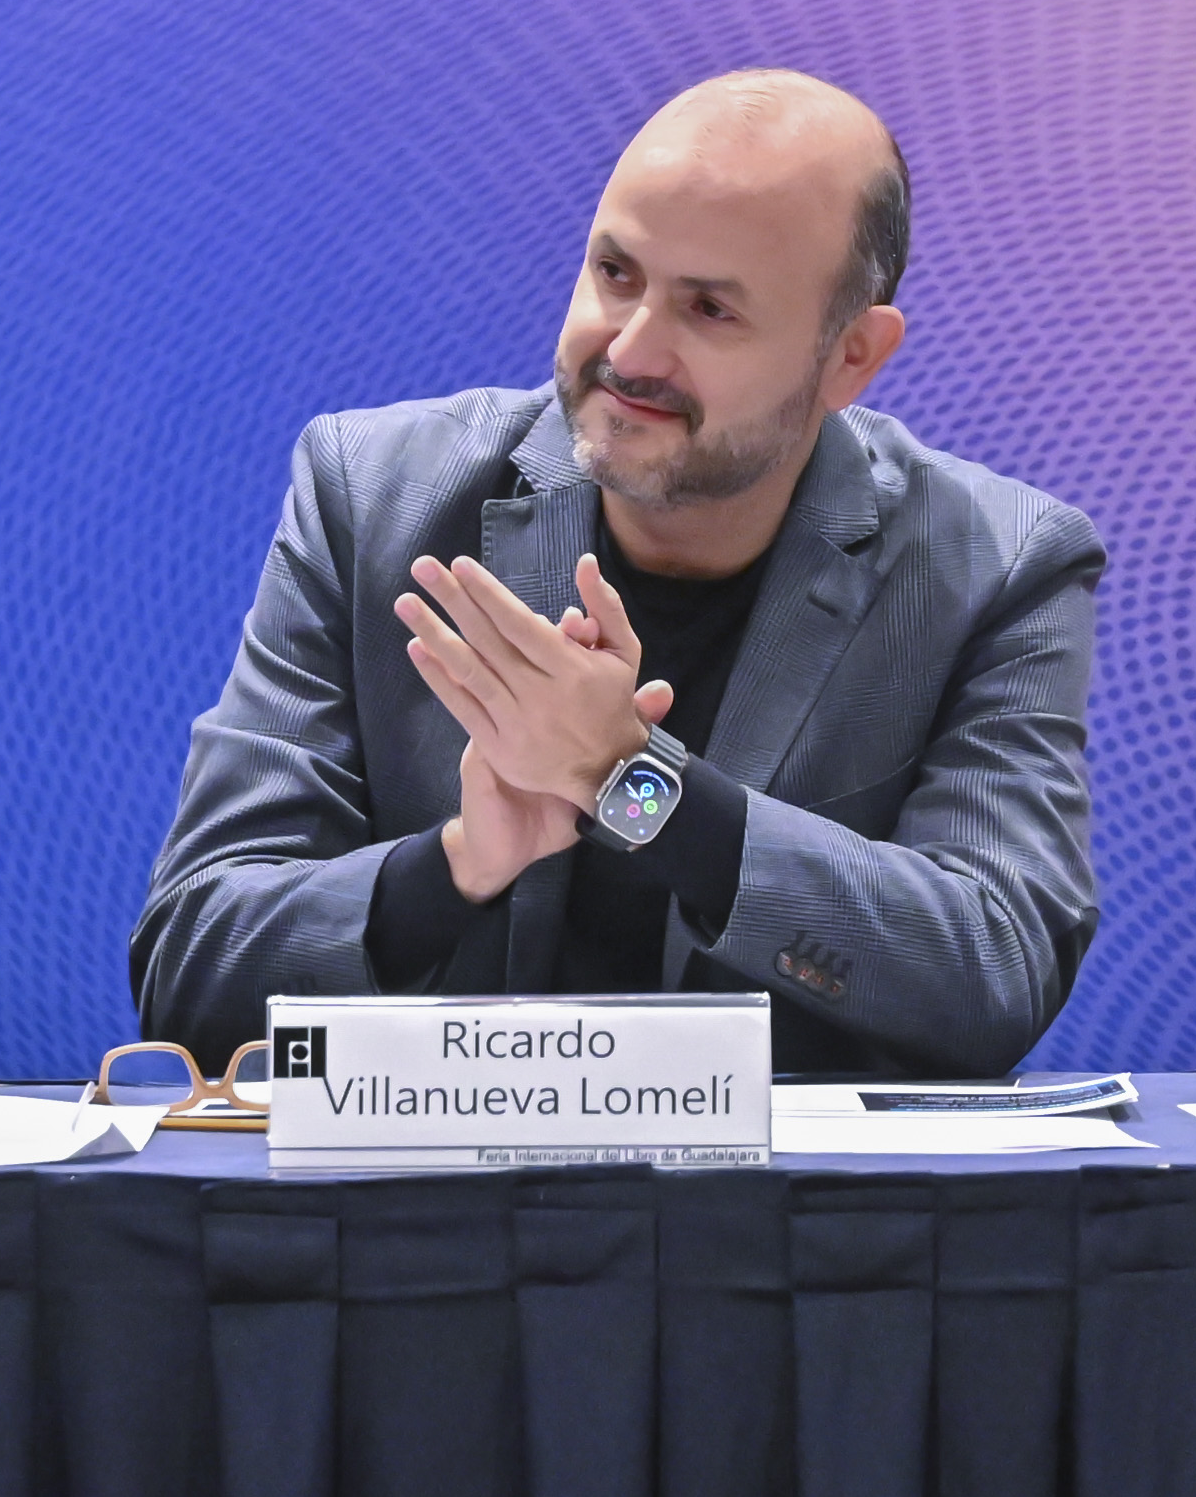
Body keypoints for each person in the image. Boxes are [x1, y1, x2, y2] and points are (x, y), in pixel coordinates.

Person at [135, 70, 1100, 1078]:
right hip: (423, 1174)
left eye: (710, 309)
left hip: (786, 1184)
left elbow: (998, 970)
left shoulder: (998, 565)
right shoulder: (374, 498)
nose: (631, 351)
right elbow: (192, 970)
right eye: (615, 273)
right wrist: (458, 865)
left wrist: (636, 788)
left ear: (850, 356)